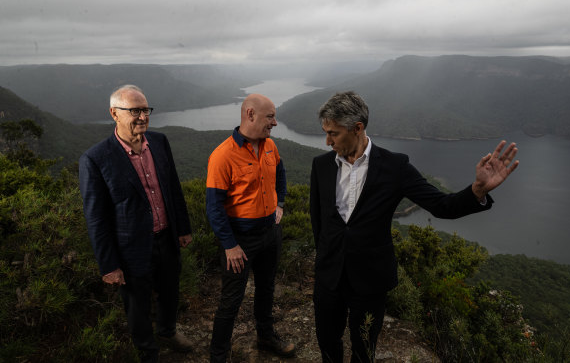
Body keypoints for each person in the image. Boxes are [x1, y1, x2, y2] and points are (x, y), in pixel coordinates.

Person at [310, 91, 519, 363]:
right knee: (327, 343)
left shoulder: (395, 167)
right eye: (326, 133)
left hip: (370, 281)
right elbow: (318, 219)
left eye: (333, 134)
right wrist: (325, 258)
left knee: (363, 350)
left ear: (357, 128)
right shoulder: (321, 166)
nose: (327, 141)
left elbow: (442, 206)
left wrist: (477, 189)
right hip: (329, 278)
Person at [79, 85, 194, 363]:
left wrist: (183, 227)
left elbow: (172, 187)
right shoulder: (95, 159)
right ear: (114, 114)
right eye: (134, 111)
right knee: (137, 304)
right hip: (131, 247)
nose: (142, 117)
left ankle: (167, 331)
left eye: (145, 110)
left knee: (170, 290)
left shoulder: (160, 142)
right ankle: (147, 351)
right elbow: (96, 218)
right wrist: (109, 265)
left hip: (166, 236)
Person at [206, 93, 295, 362]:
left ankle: (265, 336)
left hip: (270, 233)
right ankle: (218, 354)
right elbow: (214, 207)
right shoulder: (222, 155)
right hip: (240, 241)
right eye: (270, 117)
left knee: (266, 289)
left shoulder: (270, 147)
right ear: (250, 114)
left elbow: (280, 173)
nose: (275, 123)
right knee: (231, 300)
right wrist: (230, 245)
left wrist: (280, 202)